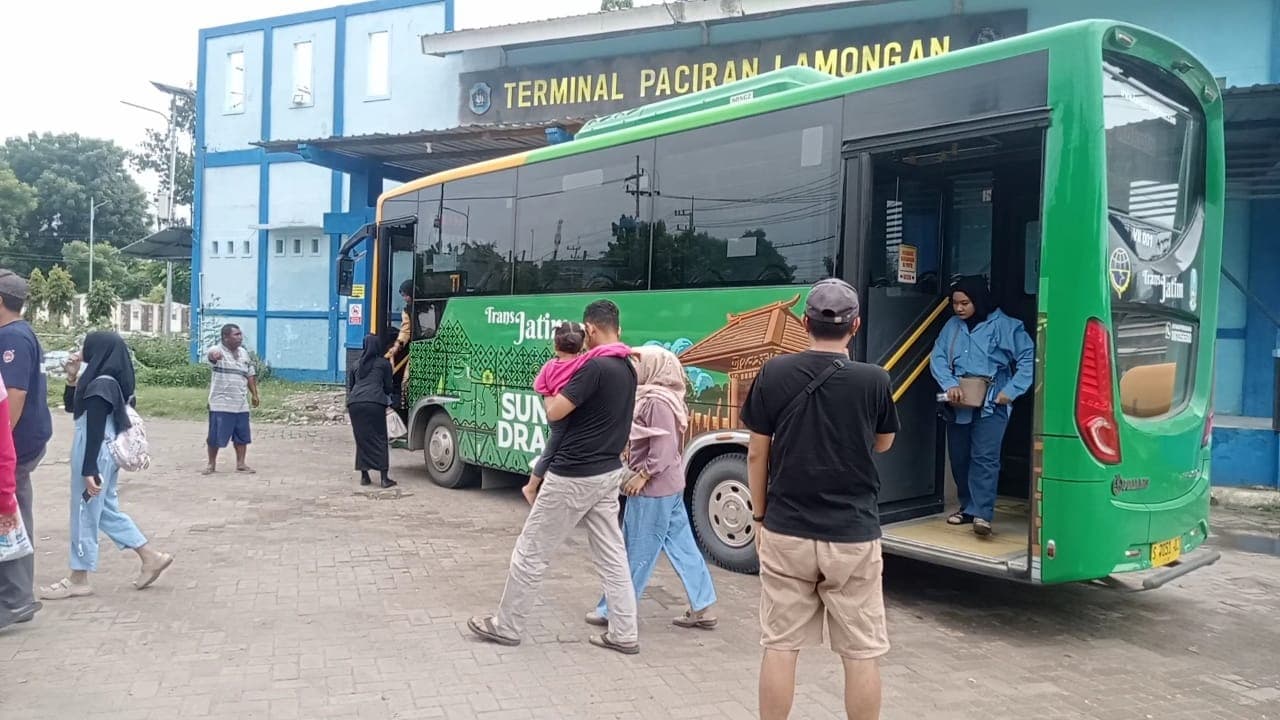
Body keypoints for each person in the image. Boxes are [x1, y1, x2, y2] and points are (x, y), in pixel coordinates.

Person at [740, 278, 898, 720]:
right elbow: (883, 443)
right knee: (861, 650)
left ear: (804, 323)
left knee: (780, 644)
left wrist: (759, 516)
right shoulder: (874, 380)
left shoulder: (773, 372)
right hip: (853, 533)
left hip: (787, 530)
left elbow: (756, 452)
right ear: (856, 325)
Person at [468, 300, 640, 655]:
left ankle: (507, 626)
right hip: (608, 472)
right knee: (613, 556)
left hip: (573, 475)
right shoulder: (628, 367)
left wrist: (548, 391)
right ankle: (624, 633)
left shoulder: (595, 368)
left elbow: (555, 412)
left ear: (591, 329)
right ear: (618, 329)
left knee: (530, 551)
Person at [584, 345, 718, 631]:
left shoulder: (656, 401)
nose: (635, 369)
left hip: (653, 489)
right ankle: (703, 606)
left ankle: (614, 610)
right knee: (683, 547)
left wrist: (642, 475)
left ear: (654, 367)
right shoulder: (662, 397)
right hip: (669, 486)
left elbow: (663, 447)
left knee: (635, 551)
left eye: (640, 363)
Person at [40, 332, 173, 600]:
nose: (82, 350)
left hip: (94, 450)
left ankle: (78, 577)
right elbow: (72, 407)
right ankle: (150, 557)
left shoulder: (101, 384)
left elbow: (94, 427)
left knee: (84, 511)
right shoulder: (109, 379)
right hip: (105, 451)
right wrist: (72, 378)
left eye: (86, 346)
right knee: (103, 509)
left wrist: (89, 468)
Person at [930, 276, 1034, 537]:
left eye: (965, 303)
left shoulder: (1006, 325)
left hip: (993, 401)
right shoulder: (952, 326)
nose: (959, 308)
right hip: (960, 399)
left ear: (978, 300)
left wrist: (1011, 391)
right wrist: (949, 384)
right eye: (955, 303)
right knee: (959, 456)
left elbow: (1029, 358)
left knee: (985, 458)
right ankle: (967, 507)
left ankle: (982, 513)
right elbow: (938, 357)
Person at [0, 270, 50, 625]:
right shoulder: (20, 332)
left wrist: (3, 442)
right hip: (22, 442)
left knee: (10, 514)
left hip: (15, 445)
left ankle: (16, 598)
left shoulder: (12, 337)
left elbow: (14, 394)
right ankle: (14, 595)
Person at [529, 321, 629, 484]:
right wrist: (628, 350)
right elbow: (605, 350)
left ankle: (537, 481)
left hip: (555, 415)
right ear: (582, 345)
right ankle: (532, 485)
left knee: (551, 448)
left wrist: (550, 394)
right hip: (568, 413)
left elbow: (538, 386)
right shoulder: (583, 362)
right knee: (557, 448)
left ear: (555, 345)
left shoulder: (549, 366)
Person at [204, 324, 260, 475]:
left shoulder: (244, 353)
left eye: (240, 334)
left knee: (242, 435)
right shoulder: (218, 350)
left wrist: (254, 394)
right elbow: (211, 355)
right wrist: (214, 356)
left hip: (241, 403)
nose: (240, 337)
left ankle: (241, 464)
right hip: (220, 403)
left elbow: (250, 374)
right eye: (236, 335)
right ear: (225, 337)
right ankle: (211, 464)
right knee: (215, 436)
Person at [347, 334, 396, 489]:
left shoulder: (355, 364)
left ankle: (364, 476)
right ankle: (384, 479)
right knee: (380, 438)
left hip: (355, 404)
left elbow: (351, 387)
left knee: (362, 438)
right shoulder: (383, 364)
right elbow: (389, 387)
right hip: (375, 403)